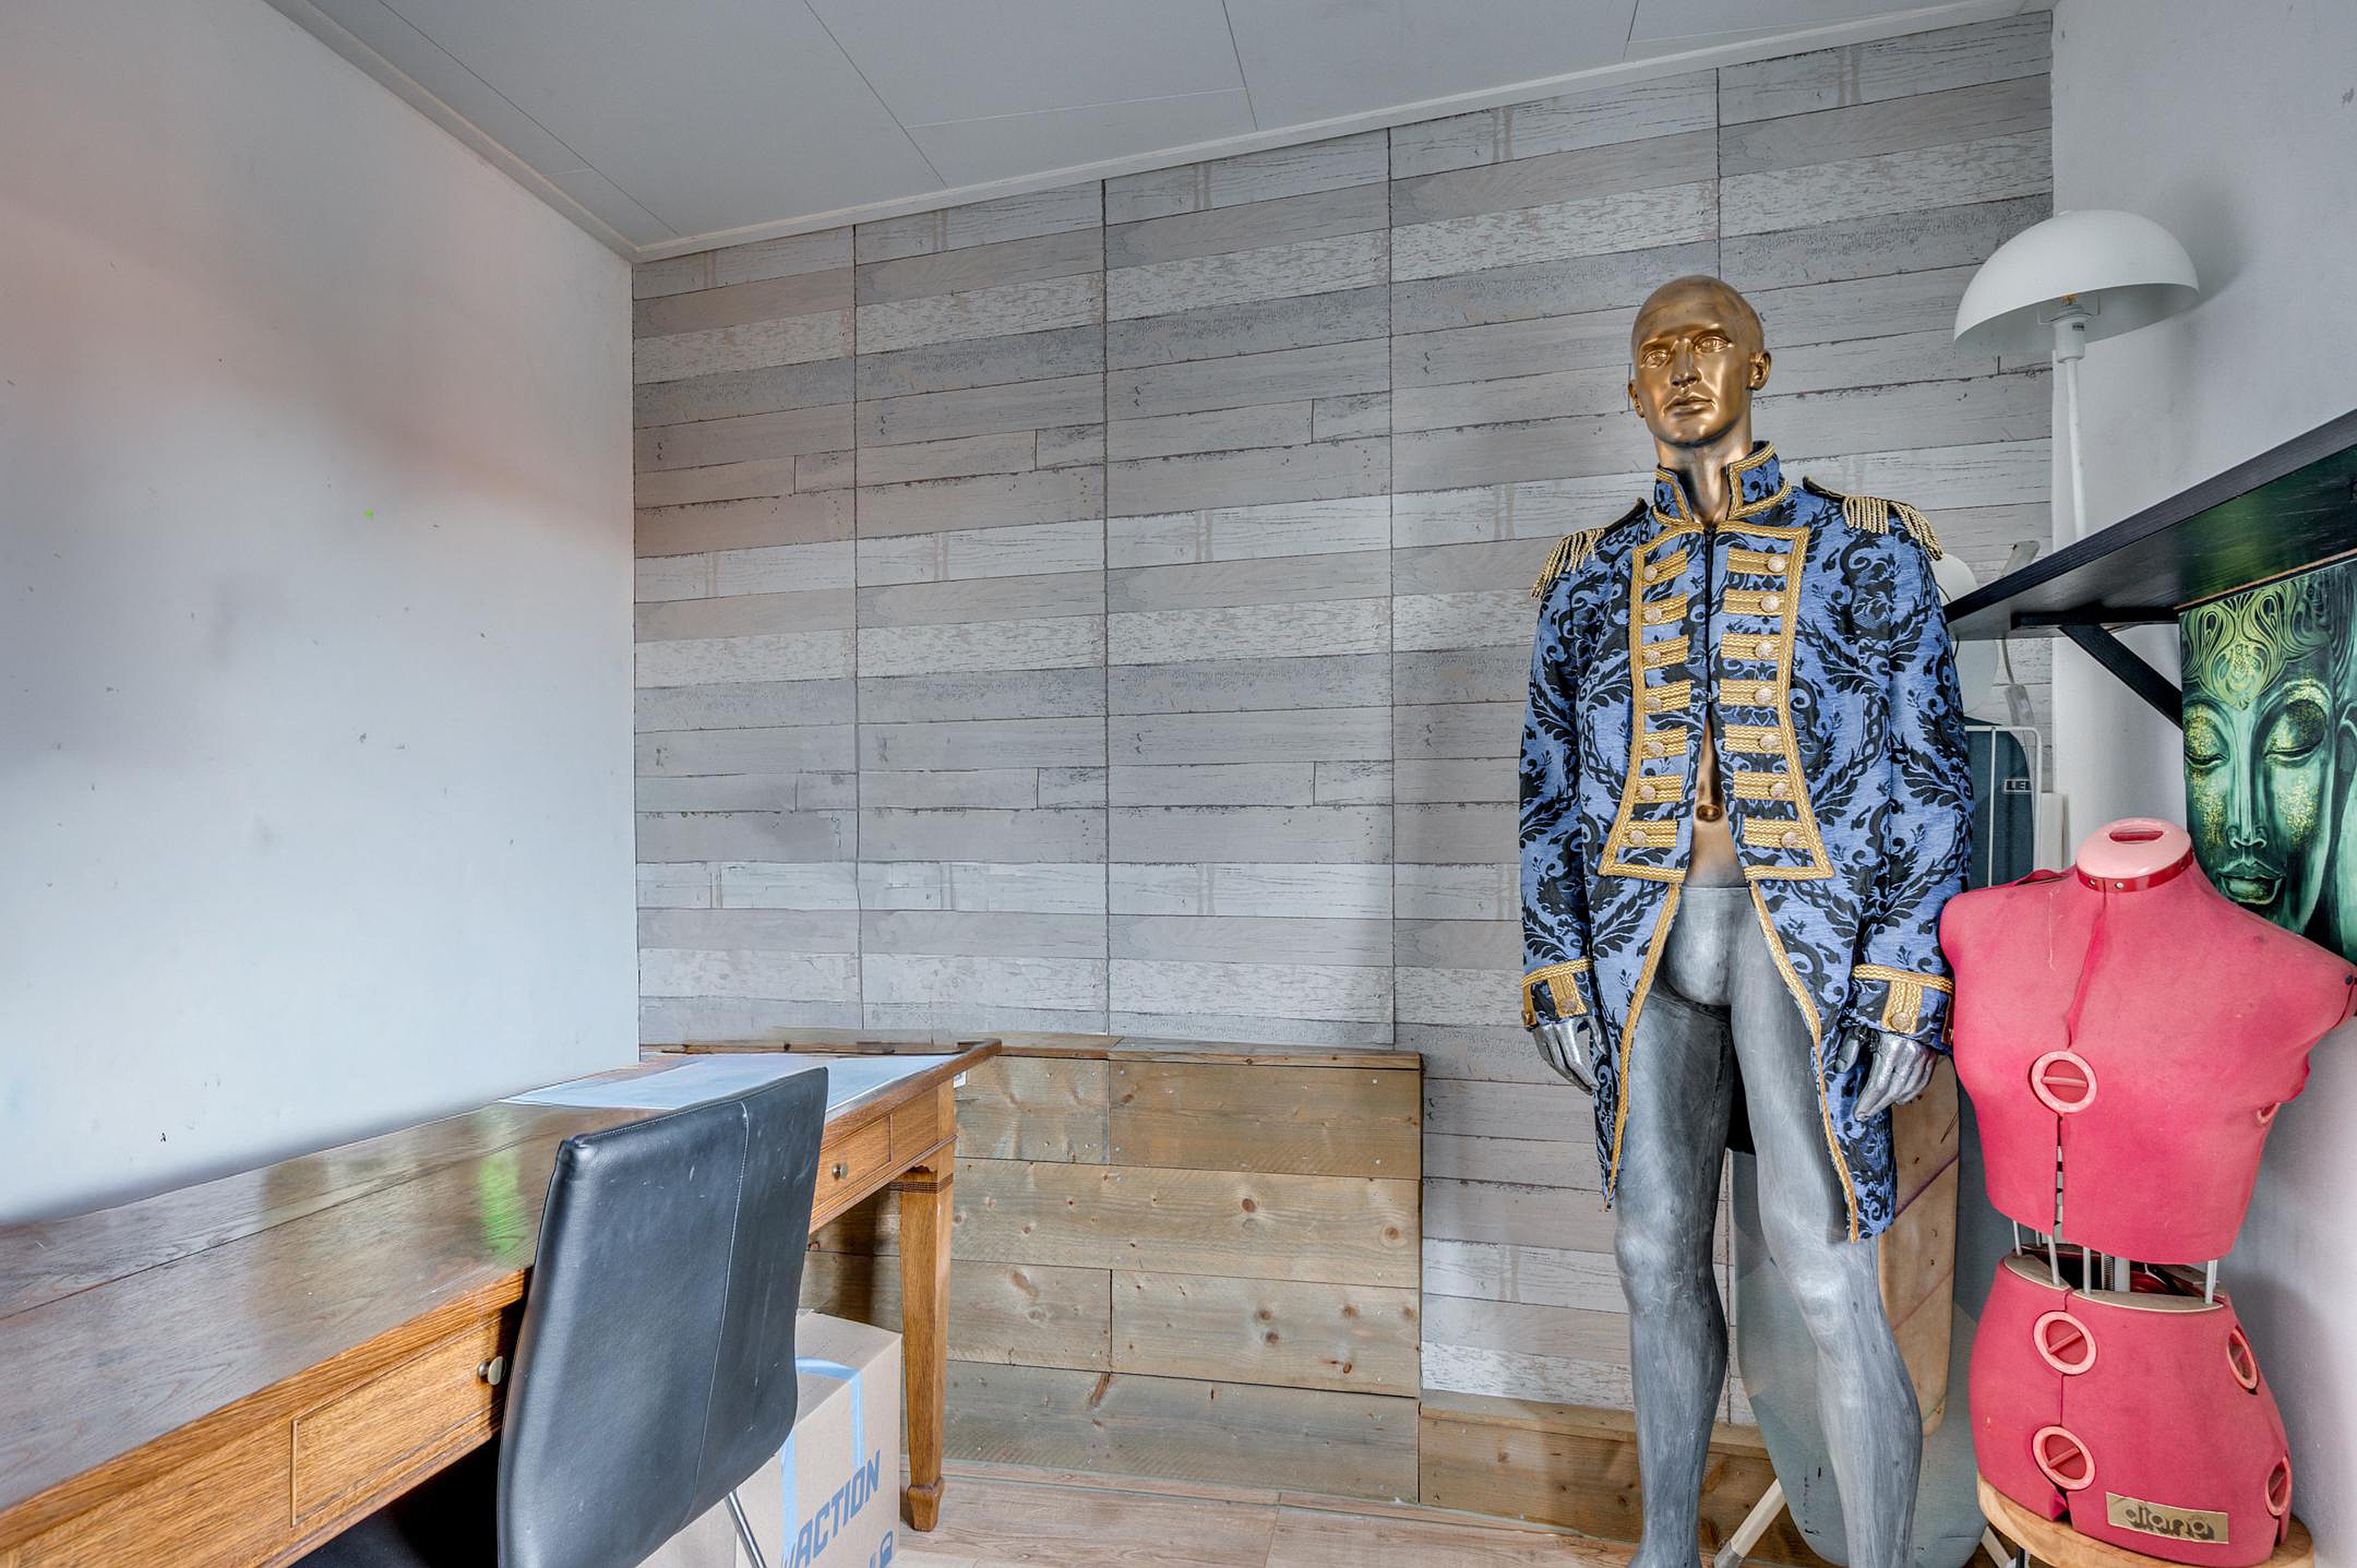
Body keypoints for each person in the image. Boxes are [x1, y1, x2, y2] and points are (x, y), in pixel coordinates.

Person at [1518, 274, 1972, 1567]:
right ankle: (1667, 1548)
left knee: (1824, 1266)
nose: (1683, 367)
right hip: (1644, 942)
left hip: (1802, 941)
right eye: (1658, 350)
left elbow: (1930, 775)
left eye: (1710, 341)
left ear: (1758, 364)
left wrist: (1905, 974)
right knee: (1650, 1251)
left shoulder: (1872, 550)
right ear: (1631, 388)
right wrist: (1556, 961)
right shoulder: (1586, 579)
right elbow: (1546, 787)